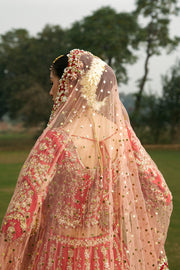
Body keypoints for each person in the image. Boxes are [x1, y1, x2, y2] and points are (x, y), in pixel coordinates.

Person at [0, 49, 172, 270]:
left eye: (54, 83)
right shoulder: (120, 136)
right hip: (108, 255)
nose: (51, 92)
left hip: (58, 255)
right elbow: (161, 194)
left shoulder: (55, 141)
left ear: (69, 86)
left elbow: (19, 219)